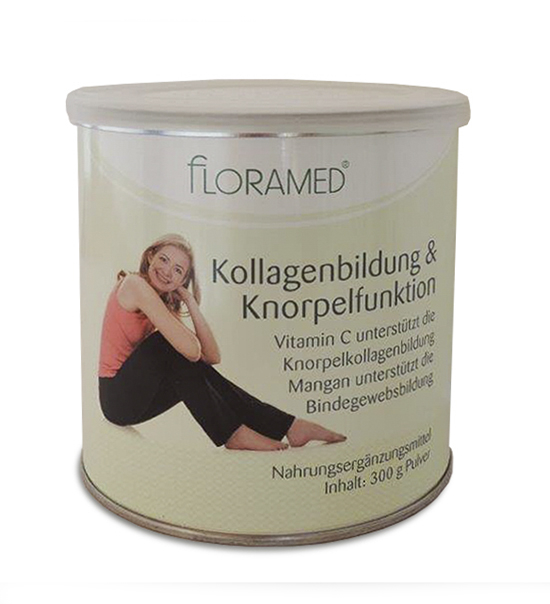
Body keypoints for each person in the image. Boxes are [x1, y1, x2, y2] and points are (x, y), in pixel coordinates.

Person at [98, 234, 346, 451]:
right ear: (151, 256)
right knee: (166, 346)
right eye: (163, 259)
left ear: (183, 280)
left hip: (137, 401)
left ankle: (288, 426)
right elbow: (192, 351)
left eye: (178, 270)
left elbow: (211, 357)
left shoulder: (160, 303)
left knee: (189, 365)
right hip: (116, 399)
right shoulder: (135, 285)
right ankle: (235, 433)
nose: (167, 271)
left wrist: (190, 302)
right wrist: (185, 327)